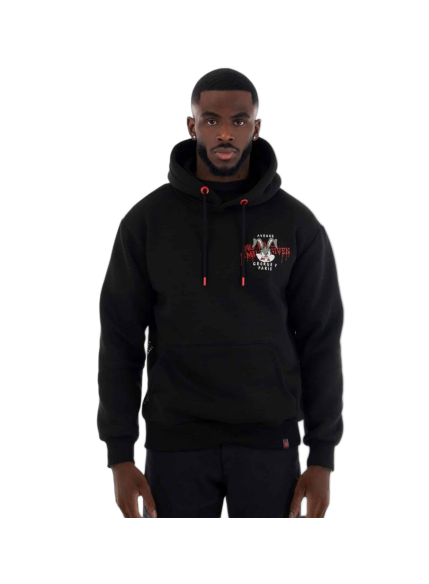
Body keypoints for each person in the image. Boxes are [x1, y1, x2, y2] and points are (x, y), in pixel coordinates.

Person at [96, 67, 345, 518]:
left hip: (270, 443)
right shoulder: (146, 222)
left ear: (256, 126)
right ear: (192, 126)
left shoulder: (297, 224)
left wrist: (322, 455)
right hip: (174, 445)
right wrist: (119, 454)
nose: (225, 133)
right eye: (211, 120)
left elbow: (321, 339)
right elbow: (119, 340)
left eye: (239, 120)